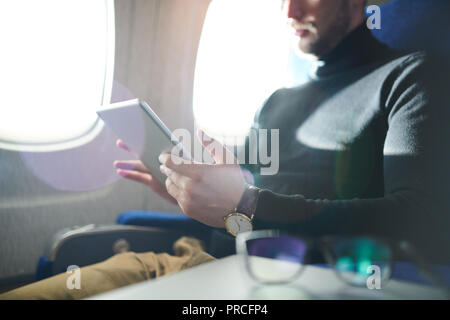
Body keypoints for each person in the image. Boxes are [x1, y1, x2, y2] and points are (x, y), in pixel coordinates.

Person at [1, 0, 448, 299]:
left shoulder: (408, 78)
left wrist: (246, 202)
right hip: (191, 259)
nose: (290, 9)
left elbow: (417, 217)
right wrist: (190, 196)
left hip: (286, 281)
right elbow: (244, 206)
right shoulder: (277, 101)